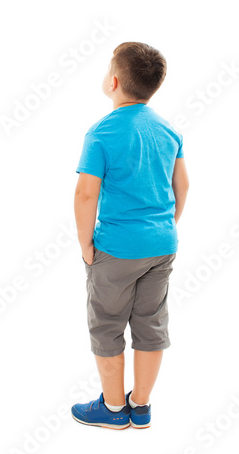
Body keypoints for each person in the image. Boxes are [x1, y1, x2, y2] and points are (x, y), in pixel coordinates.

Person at [72, 42, 189, 429]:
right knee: (151, 325)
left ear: (114, 82)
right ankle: (140, 406)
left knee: (106, 325)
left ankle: (112, 408)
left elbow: (86, 193)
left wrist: (85, 243)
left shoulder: (101, 133)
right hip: (162, 246)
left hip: (117, 251)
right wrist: (166, 227)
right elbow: (183, 185)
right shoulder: (169, 129)